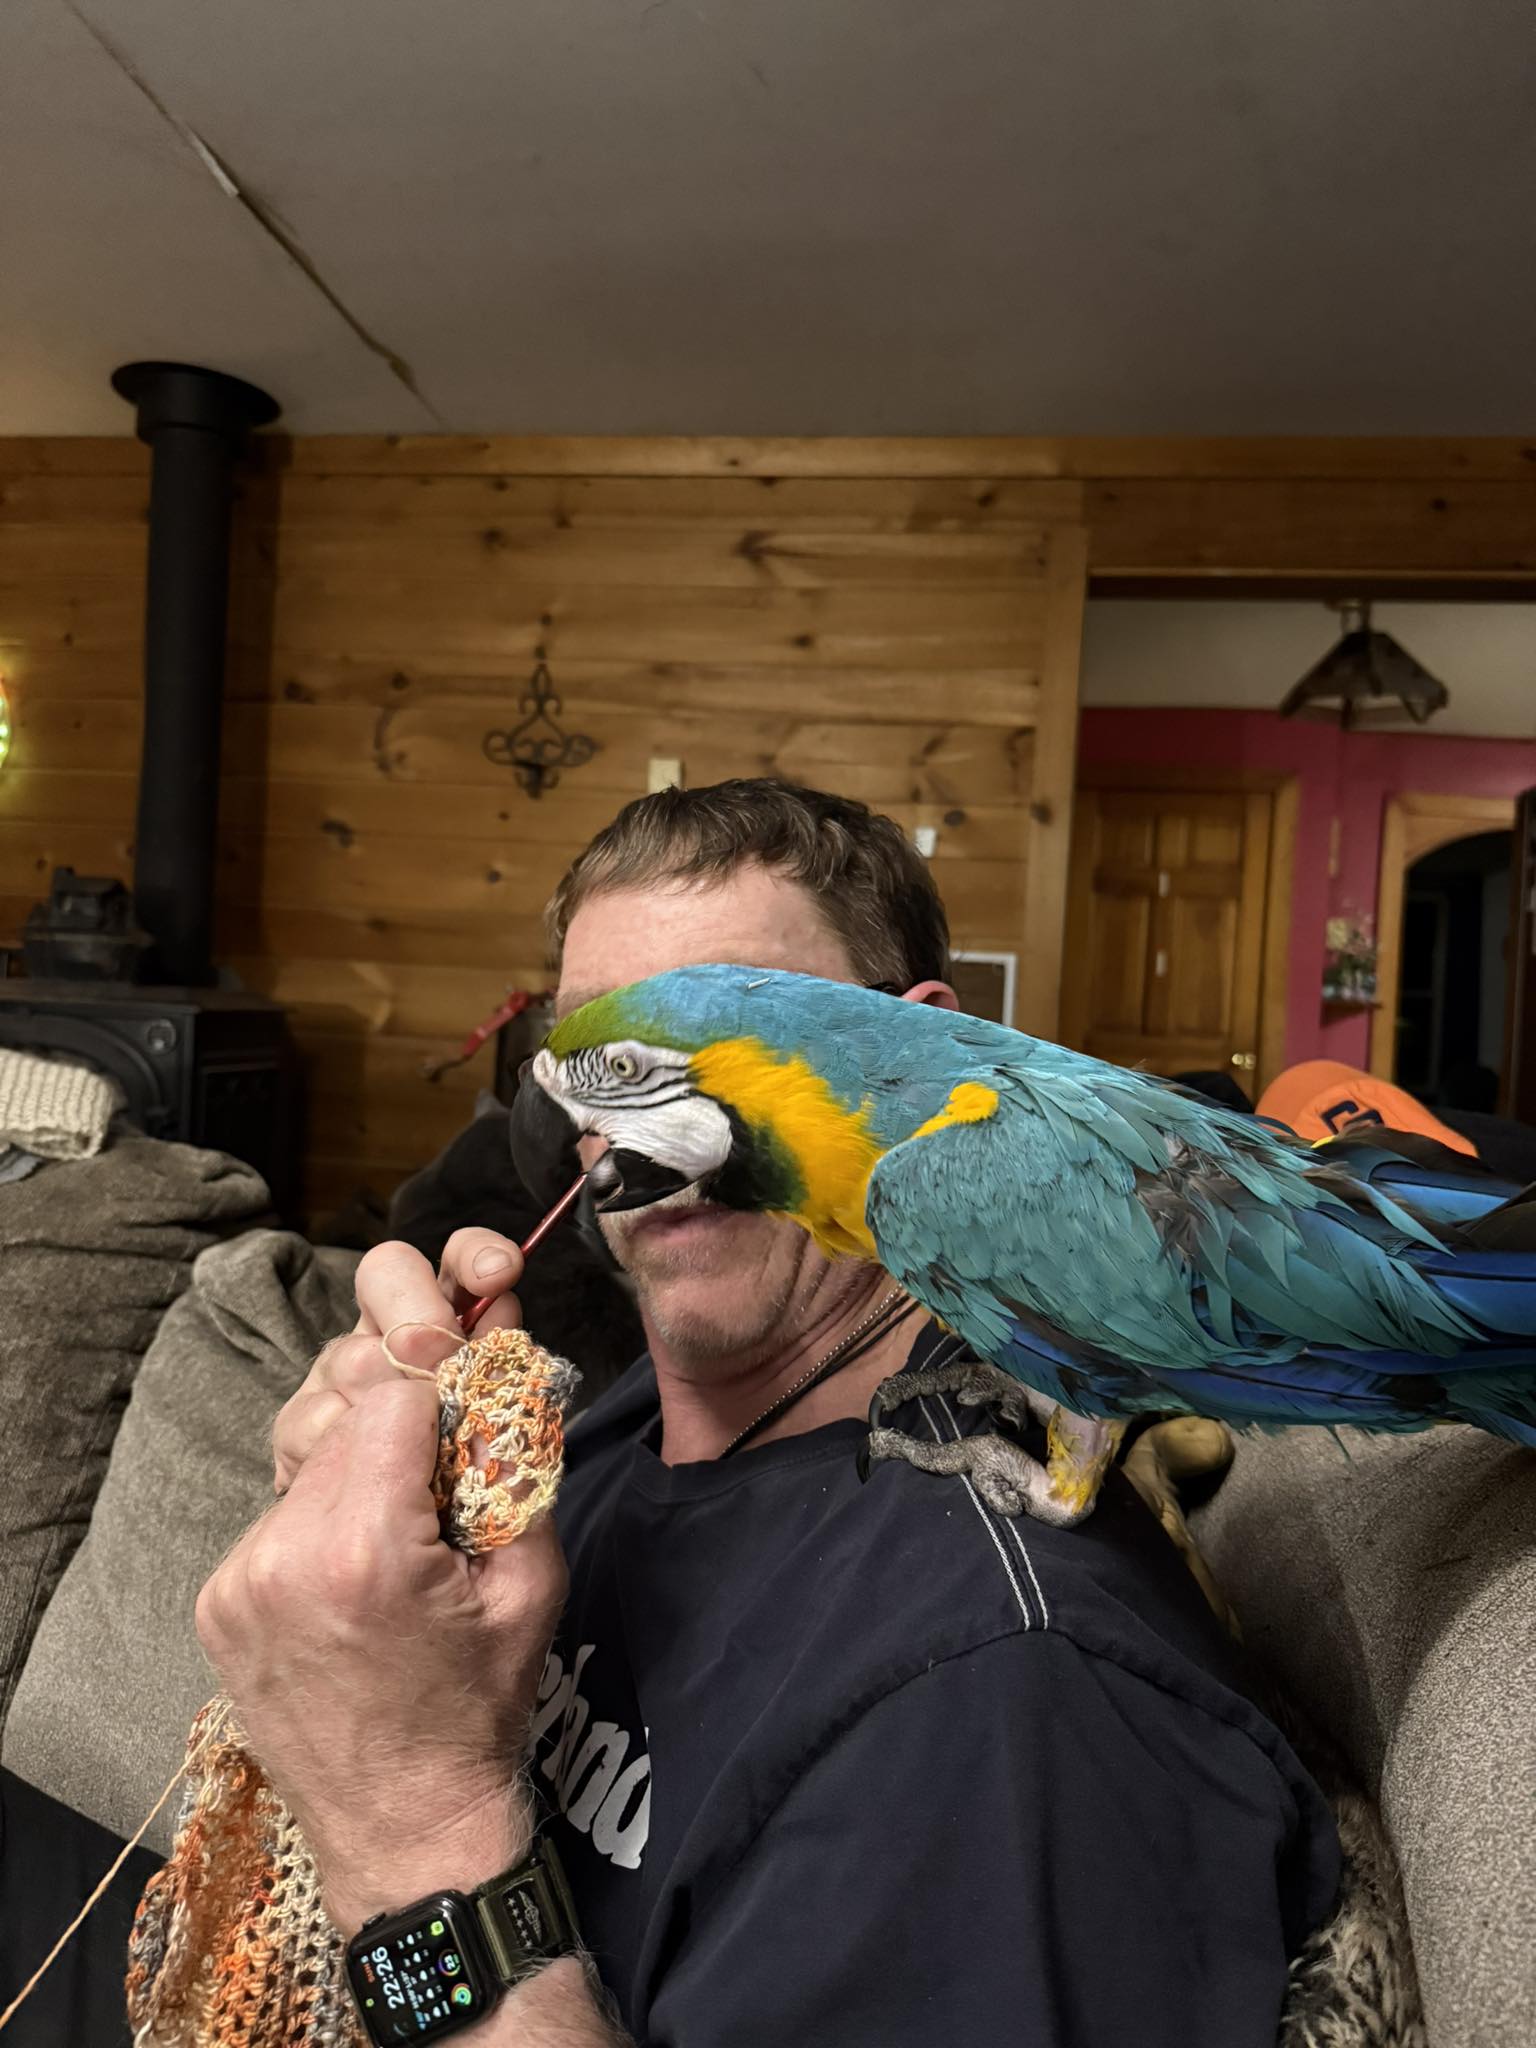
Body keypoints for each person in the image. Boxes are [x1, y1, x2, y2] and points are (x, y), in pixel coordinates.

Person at [4, 779, 1339, 2047]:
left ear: (923, 1048)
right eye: (601, 1060)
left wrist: (410, 1834)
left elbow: (405, 1857)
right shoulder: (638, 1422)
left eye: (738, 1043)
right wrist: (368, 1514)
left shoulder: (1010, 1693)